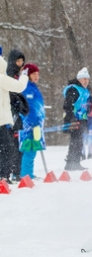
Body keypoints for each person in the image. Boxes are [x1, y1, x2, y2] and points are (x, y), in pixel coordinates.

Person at [0, 47, 29, 183]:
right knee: (7, 149)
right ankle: (3, 177)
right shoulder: (2, 78)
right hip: (1, 120)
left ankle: (4, 176)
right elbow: (19, 87)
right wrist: (24, 76)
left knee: (7, 148)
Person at [18, 63, 45, 179]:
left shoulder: (33, 87)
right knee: (29, 149)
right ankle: (26, 175)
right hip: (29, 125)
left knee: (32, 149)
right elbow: (29, 107)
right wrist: (34, 122)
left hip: (35, 123)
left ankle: (29, 173)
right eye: (34, 74)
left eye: (37, 74)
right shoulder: (27, 87)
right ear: (28, 75)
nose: (36, 76)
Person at [63, 67, 91, 171]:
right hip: (73, 119)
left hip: (81, 119)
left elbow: (85, 105)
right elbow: (67, 105)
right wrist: (71, 117)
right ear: (79, 79)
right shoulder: (73, 89)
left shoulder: (85, 90)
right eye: (84, 79)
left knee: (79, 141)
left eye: (87, 79)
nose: (86, 81)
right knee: (75, 141)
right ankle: (70, 163)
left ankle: (76, 162)